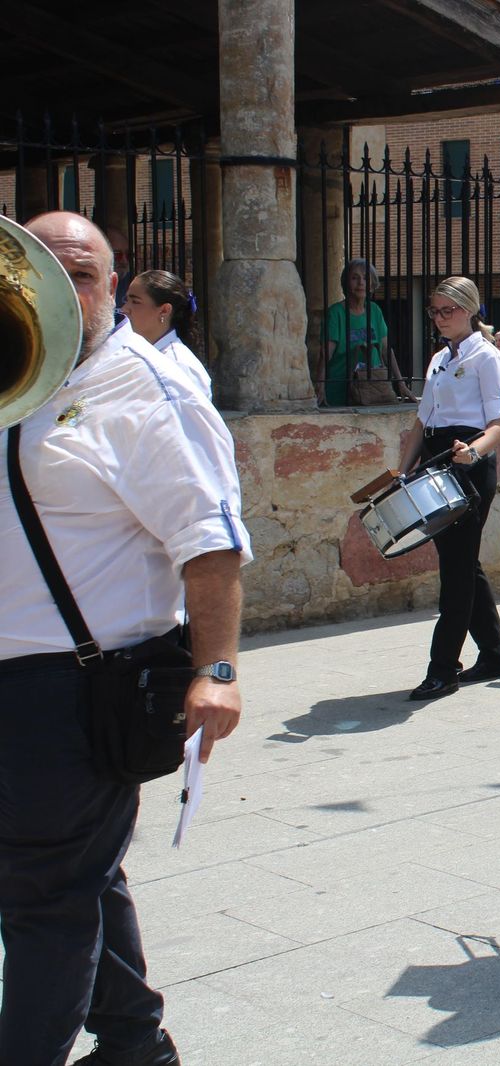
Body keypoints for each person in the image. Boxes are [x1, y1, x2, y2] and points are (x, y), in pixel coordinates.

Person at [2, 212, 248, 1066]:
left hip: (85, 684)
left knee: (44, 897)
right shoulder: (15, 376)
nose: (64, 293)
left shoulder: (148, 387)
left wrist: (216, 671)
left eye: (84, 274)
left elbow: (210, 539)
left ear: (116, 285)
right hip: (15, 679)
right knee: (74, 875)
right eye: (45, 271)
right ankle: (138, 1045)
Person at [397, 276, 500, 700]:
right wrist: (402, 471)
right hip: (437, 460)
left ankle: (443, 667)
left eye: (448, 310)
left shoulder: (488, 359)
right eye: (435, 311)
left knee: (456, 570)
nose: (440, 318)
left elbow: (498, 424)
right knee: (461, 562)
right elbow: (419, 423)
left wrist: (474, 452)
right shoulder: (438, 360)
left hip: (468, 463)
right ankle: (496, 654)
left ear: (470, 310)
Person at [317, 259, 416, 407]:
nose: (361, 282)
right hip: (341, 390)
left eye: (365, 278)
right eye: (354, 277)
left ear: (372, 284)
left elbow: (386, 350)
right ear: (346, 283)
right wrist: (320, 386)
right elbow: (325, 355)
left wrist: (401, 383)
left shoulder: (374, 311)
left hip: (372, 389)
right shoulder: (336, 313)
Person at [121, 268, 211, 396]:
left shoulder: (179, 366)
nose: (124, 309)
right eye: (126, 301)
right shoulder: (134, 353)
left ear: (164, 310)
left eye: (135, 302)